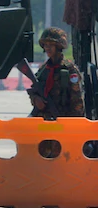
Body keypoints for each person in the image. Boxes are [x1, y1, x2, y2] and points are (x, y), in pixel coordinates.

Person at [27, 27, 85, 158]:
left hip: (62, 121)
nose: (47, 48)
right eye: (45, 45)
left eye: (51, 45)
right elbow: (33, 90)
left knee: (60, 158)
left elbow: (77, 101)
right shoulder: (44, 69)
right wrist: (36, 100)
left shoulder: (69, 70)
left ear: (59, 46)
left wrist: (75, 126)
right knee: (40, 158)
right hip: (43, 123)